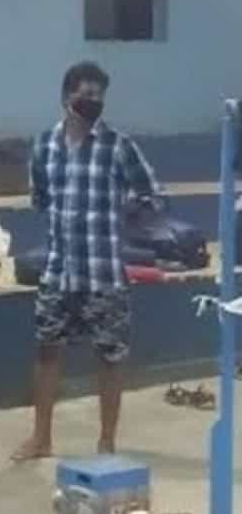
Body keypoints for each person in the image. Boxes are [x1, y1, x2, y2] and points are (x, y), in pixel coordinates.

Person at [12, 62, 161, 460]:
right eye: (86, 94)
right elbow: (40, 199)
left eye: (99, 96)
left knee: (110, 357)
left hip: (104, 273)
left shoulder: (118, 145)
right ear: (67, 97)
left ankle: (107, 442)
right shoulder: (44, 145)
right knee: (47, 352)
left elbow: (152, 194)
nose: (93, 101)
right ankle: (41, 439)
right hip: (59, 271)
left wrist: (124, 213)